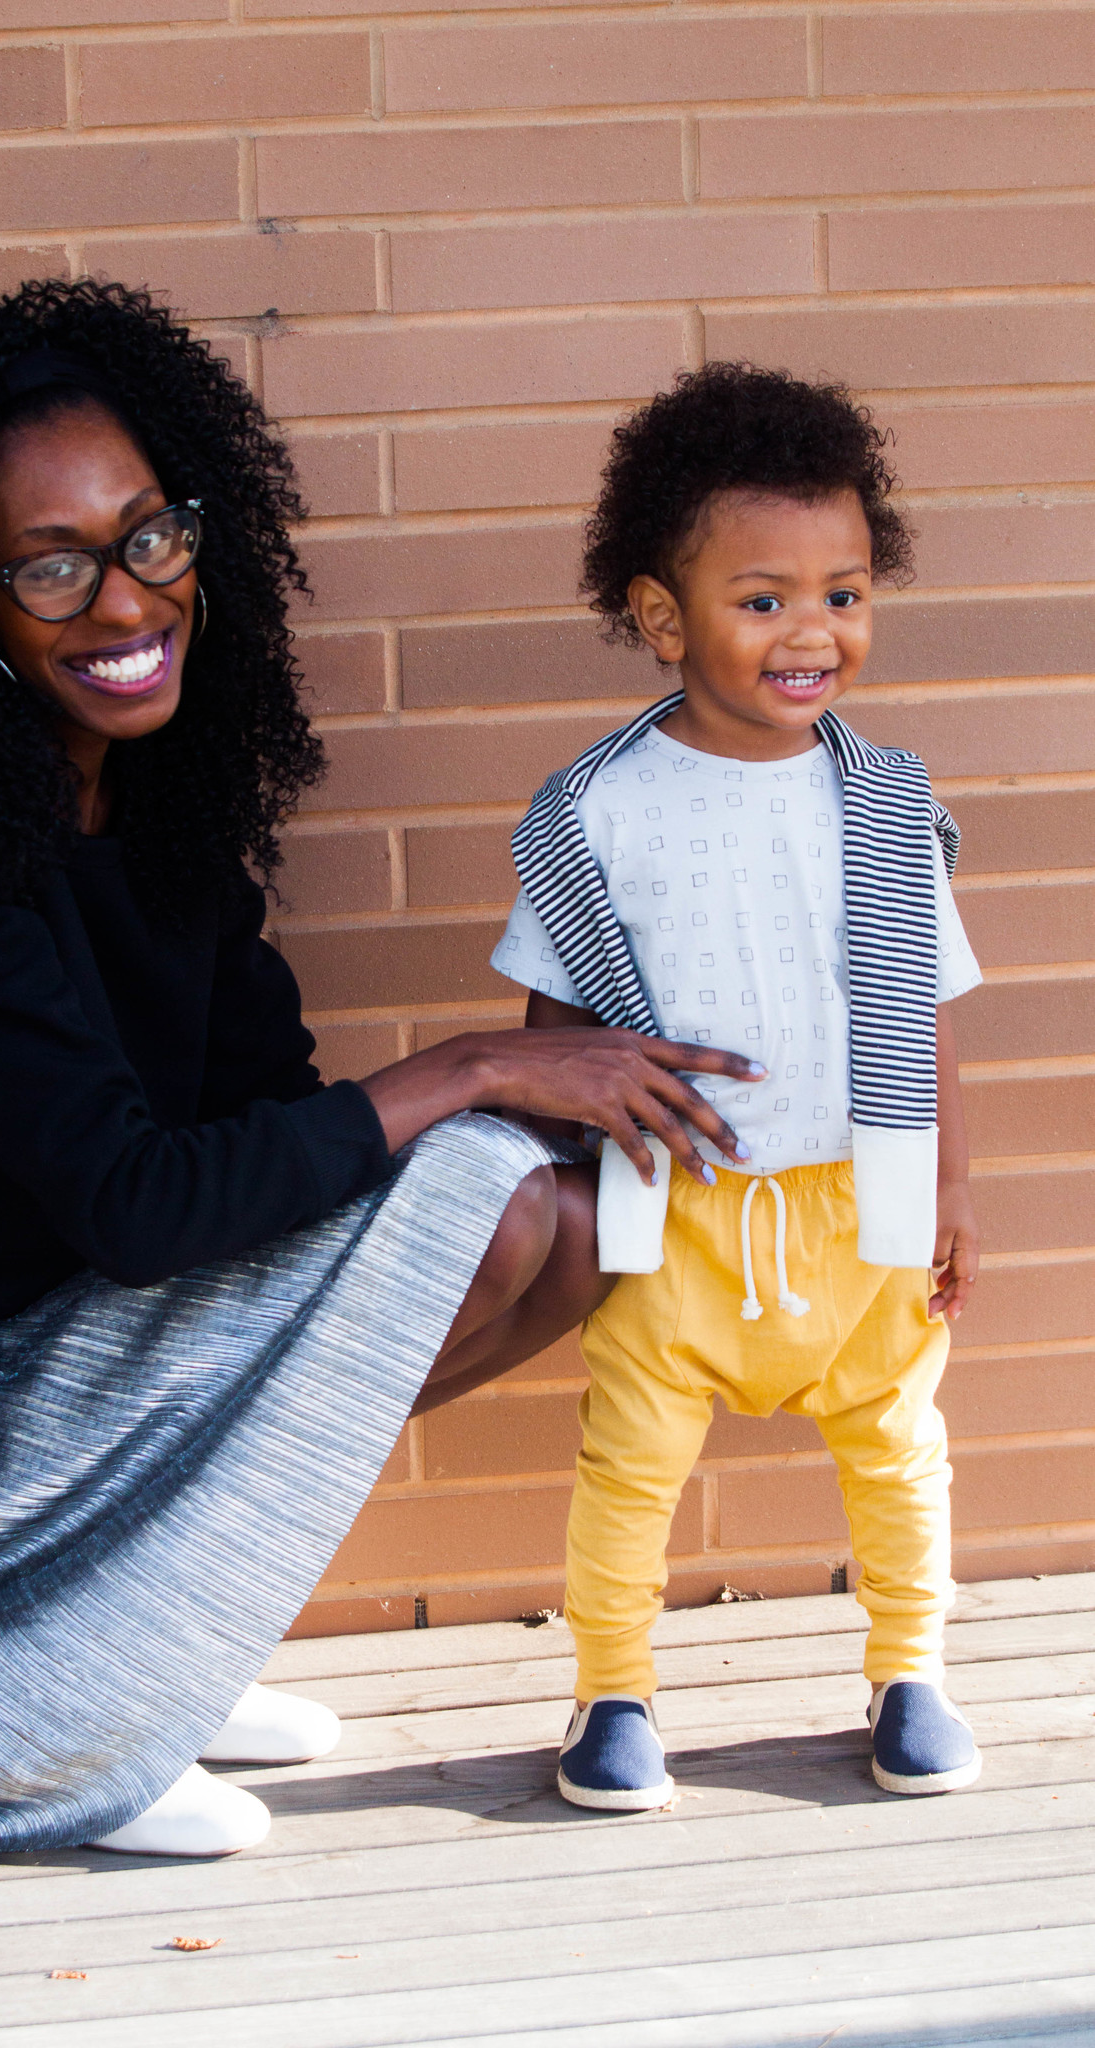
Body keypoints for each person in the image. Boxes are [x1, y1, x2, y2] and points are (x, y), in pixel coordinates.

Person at [0, 281, 764, 1860]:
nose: (126, 602)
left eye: (153, 538)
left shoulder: (151, 811)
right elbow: (140, 1208)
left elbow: (260, 1123)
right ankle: (48, 1696)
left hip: (53, 1369)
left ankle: (145, 1640)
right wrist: (477, 1062)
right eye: (52, 566)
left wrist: (513, 1087)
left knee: (556, 1222)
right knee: (481, 1177)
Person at [492, 363, 984, 1810]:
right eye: (761, 598)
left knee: (896, 1450)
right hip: (677, 1209)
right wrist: (566, 1192)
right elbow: (550, 1027)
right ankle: (611, 1696)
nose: (810, 632)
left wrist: (949, 1184)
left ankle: (909, 1673)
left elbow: (933, 1001)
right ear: (661, 619)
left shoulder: (887, 799)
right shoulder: (591, 813)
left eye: (842, 592)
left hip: (860, 1198)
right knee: (629, 1462)